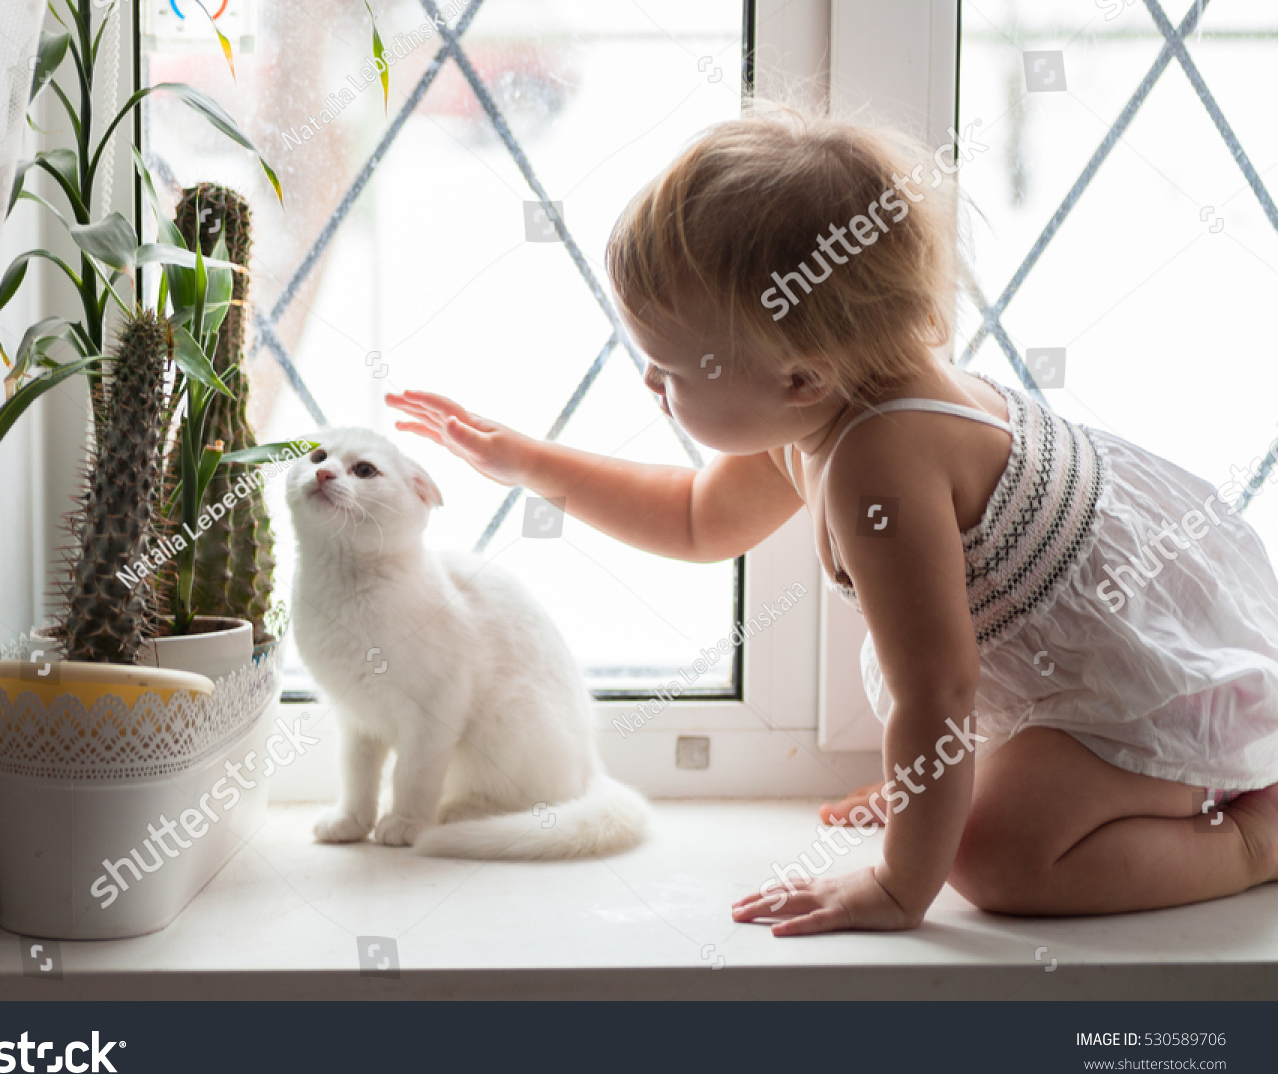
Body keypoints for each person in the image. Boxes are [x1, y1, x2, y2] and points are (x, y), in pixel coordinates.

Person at [386, 107, 1278, 936]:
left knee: (991, 859)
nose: (649, 384)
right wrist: (529, 461)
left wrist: (899, 881)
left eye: (670, 371)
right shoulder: (830, 397)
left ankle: (1253, 836)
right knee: (964, 805)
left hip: (1146, 690)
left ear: (800, 377)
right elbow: (698, 519)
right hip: (1084, 666)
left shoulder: (879, 465)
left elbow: (939, 692)